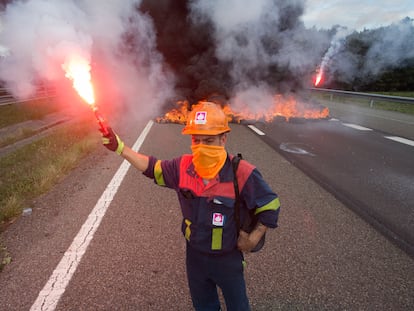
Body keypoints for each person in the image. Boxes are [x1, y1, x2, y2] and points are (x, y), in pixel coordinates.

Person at [102, 101, 280, 311]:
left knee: (239, 307)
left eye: (209, 140)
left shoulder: (241, 172)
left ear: (224, 139)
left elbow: (270, 204)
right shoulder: (183, 167)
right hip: (195, 257)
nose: (202, 146)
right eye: (197, 140)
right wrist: (120, 147)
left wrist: (254, 237)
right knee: (204, 307)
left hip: (228, 259)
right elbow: (152, 167)